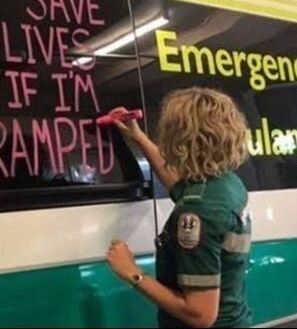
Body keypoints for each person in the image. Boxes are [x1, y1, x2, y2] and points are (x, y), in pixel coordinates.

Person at [106, 87, 252, 328]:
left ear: (180, 139)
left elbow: (200, 315)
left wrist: (132, 272)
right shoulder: (226, 183)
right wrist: (138, 137)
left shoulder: (199, 211)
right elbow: (178, 183)